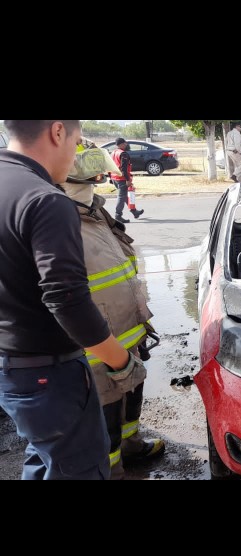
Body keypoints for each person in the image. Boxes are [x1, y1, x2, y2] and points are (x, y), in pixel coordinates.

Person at [0, 119, 142, 480]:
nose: (74, 152)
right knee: (80, 468)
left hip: (13, 368)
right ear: (58, 131)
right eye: (77, 141)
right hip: (49, 371)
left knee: (45, 458)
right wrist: (122, 362)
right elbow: (66, 299)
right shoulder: (46, 199)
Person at [61, 145, 166, 479]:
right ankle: (112, 470)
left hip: (128, 332)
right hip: (97, 346)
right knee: (104, 411)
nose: (97, 179)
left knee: (132, 392)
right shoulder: (58, 221)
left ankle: (131, 444)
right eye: (90, 173)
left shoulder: (95, 212)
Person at [109, 137, 143, 223]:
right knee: (121, 197)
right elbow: (123, 169)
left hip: (114, 177)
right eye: (125, 143)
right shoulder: (123, 154)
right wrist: (127, 180)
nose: (126, 144)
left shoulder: (113, 152)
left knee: (125, 196)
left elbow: (110, 166)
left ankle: (134, 211)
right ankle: (118, 215)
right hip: (121, 178)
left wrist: (110, 177)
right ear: (121, 144)